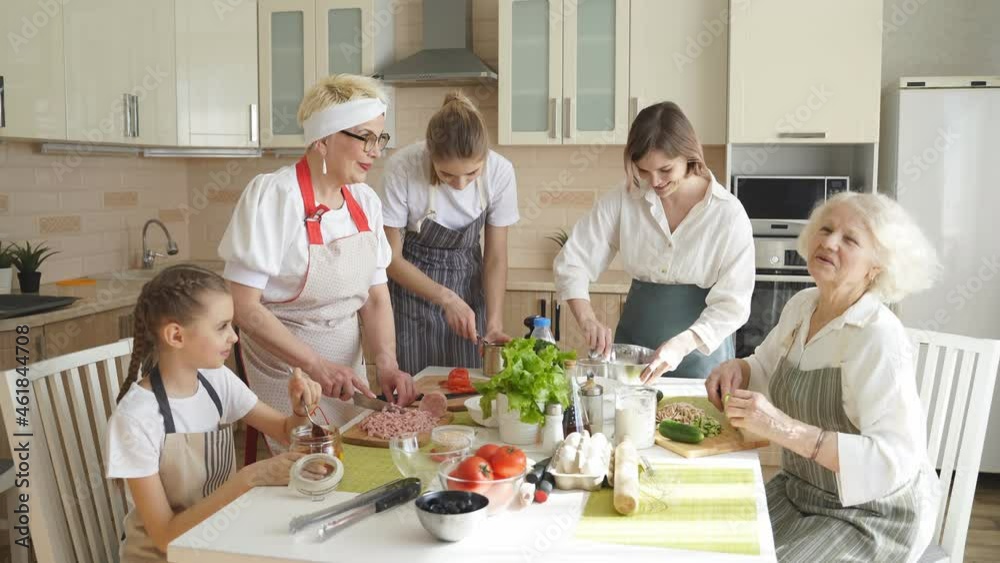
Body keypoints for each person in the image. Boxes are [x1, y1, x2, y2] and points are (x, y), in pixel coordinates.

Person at [706, 193, 941, 562]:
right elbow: (764, 367)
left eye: (850, 240)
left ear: (876, 266)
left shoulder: (877, 335)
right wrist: (739, 369)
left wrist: (782, 428)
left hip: (869, 515)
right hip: (800, 492)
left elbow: (892, 460)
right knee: (710, 546)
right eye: (826, 229)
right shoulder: (802, 306)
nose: (829, 243)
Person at [218, 75, 416, 446]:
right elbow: (243, 307)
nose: (376, 151)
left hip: (347, 375)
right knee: (308, 465)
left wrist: (386, 362)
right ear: (323, 140)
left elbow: (375, 298)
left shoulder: (365, 203)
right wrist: (315, 365)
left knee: (357, 457)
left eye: (380, 138)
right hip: (287, 372)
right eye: (365, 137)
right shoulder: (274, 196)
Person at [105, 265, 323, 562]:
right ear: (176, 336)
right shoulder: (135, 418)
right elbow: (165, 537)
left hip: (219, 544)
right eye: (222, 327)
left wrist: (299, 410)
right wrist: (249, 479)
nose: (234, 337)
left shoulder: (216, 380)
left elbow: (286, 432)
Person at [554, 101, 754, 379]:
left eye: (665, 170)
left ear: (689, 155)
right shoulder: (625, 198)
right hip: (633, 356)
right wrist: (587, 319)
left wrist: (683, 343)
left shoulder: (728, 214)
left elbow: (734, 304)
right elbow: (572, 261)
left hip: (701, 356)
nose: (655, 181)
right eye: (644, 171)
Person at [382, 92, 518, 374]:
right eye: (447, 175)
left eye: (472, 173)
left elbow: (495, 257)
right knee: (416, 390)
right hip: (413, 293)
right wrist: (446, 298)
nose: (460, 184)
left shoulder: (500, 172)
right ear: (429, 154)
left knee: (469, 387)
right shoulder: (402, 168)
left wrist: (494, 324)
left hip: (470, 290)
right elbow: (391, 259)